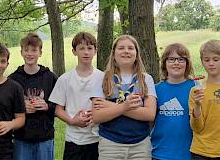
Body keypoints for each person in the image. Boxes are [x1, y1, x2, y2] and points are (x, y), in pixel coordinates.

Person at [90, 34, 157, 159]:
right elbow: (97, 116)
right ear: (114, 53)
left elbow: (150, 114)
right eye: (121, 48)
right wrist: (124, 106)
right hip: (110, 144)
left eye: (130, 48)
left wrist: (112, 106)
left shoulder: (146, 79)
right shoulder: (102, 78)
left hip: (141, 145)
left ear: (136, 54)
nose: (126, 51)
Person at [48, 32, 104, 160]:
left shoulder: (103, 78)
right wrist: (73, 121)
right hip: (74, 139)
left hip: (98, 138)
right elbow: (58, 109)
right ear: (74, 51)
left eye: (90, 48)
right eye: (81, 48)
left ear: (95, 51)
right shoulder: (65, 79)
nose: (86, 52)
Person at [8, 32, 58, 160]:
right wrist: (21, 108)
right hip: (21, 138)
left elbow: (60, 106)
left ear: (40, 53)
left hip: (44, 137)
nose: (29, 54)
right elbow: (7, 108)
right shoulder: (13, 79)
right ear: (21, 52)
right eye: (26, 50)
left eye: (34, 50)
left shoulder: (50, 77)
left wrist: (47, 106)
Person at [151, 43, 196, 160]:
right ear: (165, 63)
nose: (176, 63)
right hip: (159, 152)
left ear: (187, 63)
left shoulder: (196, 88)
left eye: (181, 59)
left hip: (190, 153)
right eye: (171, 59)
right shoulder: (155, 90)